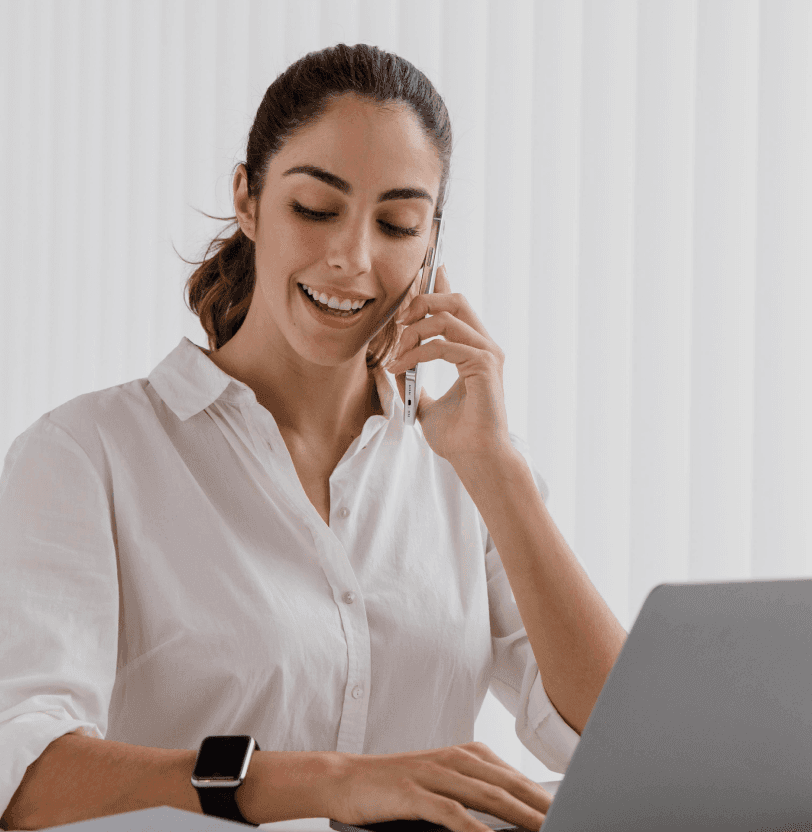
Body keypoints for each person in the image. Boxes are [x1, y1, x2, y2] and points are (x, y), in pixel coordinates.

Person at [0, 43, 626, 831]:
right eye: (315, 208)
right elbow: (24, 776)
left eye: (397, 223)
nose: (352, 259)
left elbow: (625, 742)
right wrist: (327, 782)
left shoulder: (464, 471)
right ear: (248, 199)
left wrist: (496, 469)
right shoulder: (87, 455)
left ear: (431, 239)